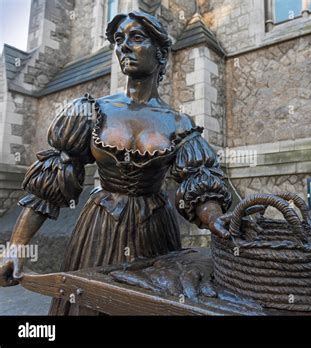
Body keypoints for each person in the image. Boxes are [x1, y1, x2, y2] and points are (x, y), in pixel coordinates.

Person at [0, 11, 232, 315]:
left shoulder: (179, 123)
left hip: (156, 233)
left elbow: (200, 183)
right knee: (89, 305)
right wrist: (15, 248)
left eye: (136, 38)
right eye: (119, 40)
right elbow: (48, 186)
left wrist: (215, 220)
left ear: (160, 54)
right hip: (99, 229)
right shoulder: (90, 111)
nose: (124, 46)